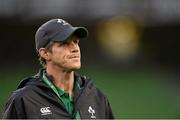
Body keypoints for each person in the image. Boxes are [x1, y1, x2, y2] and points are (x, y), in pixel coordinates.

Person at [3, 18, 114, 119]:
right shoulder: (24, 100)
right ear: (45, 53)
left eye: (76, 42)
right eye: (65, 43)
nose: (75, 49)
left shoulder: (96, 97)